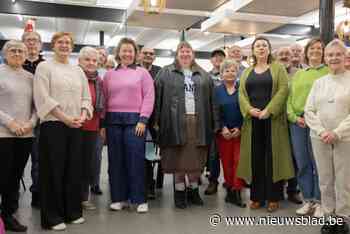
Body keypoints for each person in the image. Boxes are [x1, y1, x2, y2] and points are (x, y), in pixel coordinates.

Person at [34, 32, 93, 231]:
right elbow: (43, 98)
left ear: (72, 46)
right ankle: (52, 217)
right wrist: (66, 118)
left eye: (68, 43)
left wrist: (83, 115)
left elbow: (86, 97)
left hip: (76, 125)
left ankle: (73, 212)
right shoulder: (44, 67)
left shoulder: (78, 70)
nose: (65, 45)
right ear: (53, 45)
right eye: (60, 42)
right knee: (53, 171)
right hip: (54, 125)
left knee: (73, 170)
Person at [154, 41, 219, 209]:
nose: (185, 54)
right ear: (177, 54)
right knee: (178, 159)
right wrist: (155, 123)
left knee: (195, 160)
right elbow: (157, 100)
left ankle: (193, 190)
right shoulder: (164, 73)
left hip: (198, 122)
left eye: (188, 51)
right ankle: (179, 192)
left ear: (193, 54)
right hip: (174, 122)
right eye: (181, 51)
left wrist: (215, 123)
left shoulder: (204, 75)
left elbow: (213, 102)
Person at [237, 36, 294, 212]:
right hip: (253, 122)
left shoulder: (278, 69)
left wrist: (268, 110)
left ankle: (273, 197)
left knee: (273, 159)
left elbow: (284, 90)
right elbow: (241, 94)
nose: (261, 48)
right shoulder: (247, 71)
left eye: (264, 45)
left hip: (273, 121)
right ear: (253, 50)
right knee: (255, 158)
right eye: (258, 46)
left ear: (269, 50)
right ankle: (256, 197)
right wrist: (249, 110)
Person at [103, 37, 154, 213]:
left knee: (135, 160)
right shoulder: (109, 75)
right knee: (115, 160)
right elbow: (104, 99)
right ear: (119, 53)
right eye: (124, 50)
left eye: (130, 50)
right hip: (113, 120)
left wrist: (143, 119)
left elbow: (149, 97)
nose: (127, 53)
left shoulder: (142, 73)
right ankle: (119, 198)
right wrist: (103, 123)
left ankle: (139, 199)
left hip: (135, 121)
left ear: (135, 54)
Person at [305, 39, 350, 234]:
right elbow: (309, 110)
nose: (333, 58)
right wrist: (323, 132)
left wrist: (337, 132)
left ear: (345, 57)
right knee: (325, 179)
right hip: (319, 138)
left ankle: (343, 218)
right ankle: (329, 216)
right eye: (330, 55)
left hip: (345, 138)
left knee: (343, 179)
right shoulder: (318, 83)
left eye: (337, 54)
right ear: (325, 57)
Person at [287, 38, 328, 217]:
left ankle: (320, 201)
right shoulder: (298, 74)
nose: (316, 51)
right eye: (312, 48)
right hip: (298, 124)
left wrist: (315, 119)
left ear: (324, 52)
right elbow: (289, 100)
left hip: (318, 124)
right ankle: (308, 199)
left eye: (319, 48)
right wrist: (294, 117)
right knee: (303, 163)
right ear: (307, 51)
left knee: (319, 164)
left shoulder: (327, 72)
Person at [0, 40, 37, 232]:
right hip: (3, 134)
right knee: (2, 176)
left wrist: (30, 123)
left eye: (21, 51)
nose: (17, 53)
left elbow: (37, 107)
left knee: (14, 176)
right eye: (12, 50)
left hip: (25, 135)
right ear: (5, 53)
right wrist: (10, 123)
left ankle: (8, 215)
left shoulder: (30, 77)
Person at [215, 59, 245, 207]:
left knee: (238, 162)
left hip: (240, 133)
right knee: (226, 164)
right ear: (221, 74)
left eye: (233, 70)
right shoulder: (217, 91)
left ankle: (237, 190)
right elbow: (214, 112)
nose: (230, 73)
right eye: (227, 70)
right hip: (224, 133)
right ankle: (230, 192)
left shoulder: (242, 89)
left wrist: (240, 127)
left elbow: (246, 110)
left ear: (237, 73)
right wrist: (222, 127)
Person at [275, 46, 303, 205]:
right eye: (281, 53)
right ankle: (277, 189)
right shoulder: (272, 72)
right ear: (276, 57)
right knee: (278, 155)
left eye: (287, 53)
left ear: (293, 56)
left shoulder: (299, 74)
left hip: (293, 120)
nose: (285, 56)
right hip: (276, 120)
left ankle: (293, 189)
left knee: (294, 155)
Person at [78, 46, 104, 211]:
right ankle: (70, 196)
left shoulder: (99, 81)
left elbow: (103, 105)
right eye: (87, 59)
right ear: (79, 61)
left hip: (92, 127)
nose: (91, 63)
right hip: (74, 125)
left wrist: (102, 126)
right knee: (73, 163)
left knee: (87, 164)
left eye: (94, 60)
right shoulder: (75, 76)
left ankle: (83, 197)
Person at [22, 31, 45, 209]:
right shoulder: (14, 63)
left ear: (40, 44)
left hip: (39, 121)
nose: (31, 43)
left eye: (34, 41)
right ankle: (10, 196)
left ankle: (37, 194)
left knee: (38, 161)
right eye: (28, 40)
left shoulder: (46, 66)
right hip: (16, 120)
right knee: (13, 161)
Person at [139, 47, 162, 199]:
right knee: (140, 152)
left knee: (153, 153)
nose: (148, 55)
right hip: (138, 118)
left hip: (156, 119)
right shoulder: (134, 70)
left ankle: (152, 183)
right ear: (140, 55)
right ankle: (142, 183)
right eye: (145, 53)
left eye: (151, 54)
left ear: (154, 57)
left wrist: (159, 120)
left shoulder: (160, 72)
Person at [205, 48, 225, 196]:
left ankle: (233, 182)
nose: (218, 59)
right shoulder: (206, 77)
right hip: (212, 120)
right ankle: (213, 181)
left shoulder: (233, 75)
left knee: (232, 154)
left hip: (231, 119)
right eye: (215, 57)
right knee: (213, 154)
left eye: (221, 57)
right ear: (211, 60)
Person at [91, 47, 109, 196]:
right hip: (86, 119)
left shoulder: (108, 75)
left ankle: (95, 183)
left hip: (102, 120)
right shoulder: (87, 73)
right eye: (98, 54)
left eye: (103, 55)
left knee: (97, 154)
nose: (101, 57)